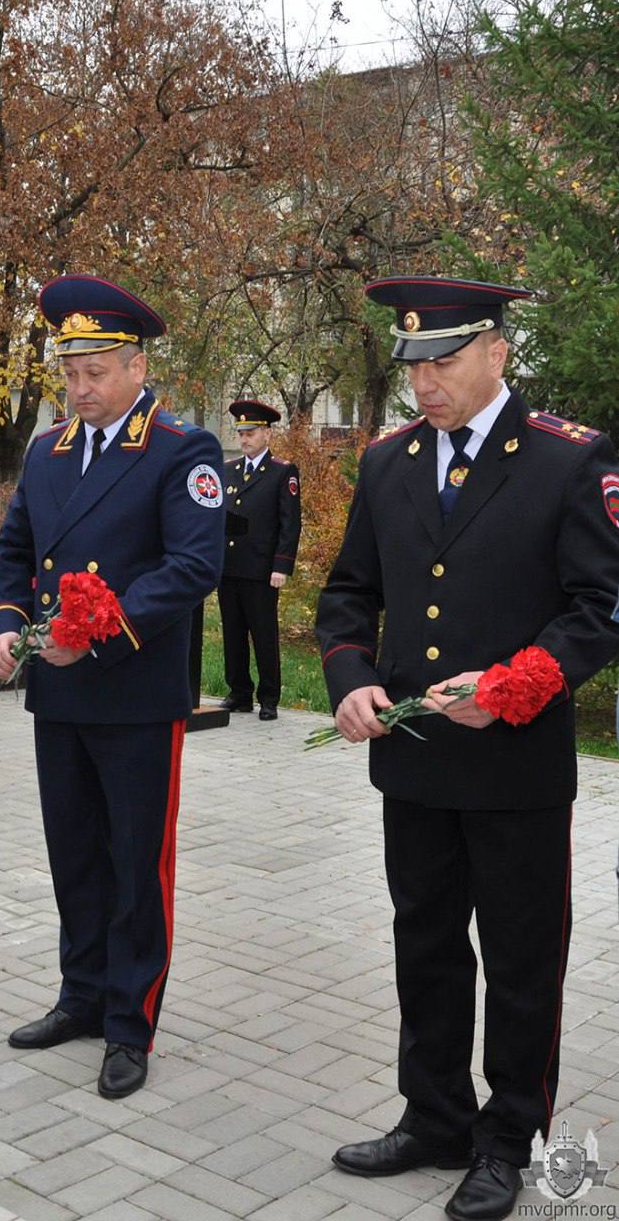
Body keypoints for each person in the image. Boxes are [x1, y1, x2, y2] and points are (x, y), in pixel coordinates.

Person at [316, 276, 619, 1221]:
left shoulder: (568, 461)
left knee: (523, 961)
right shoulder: (387, 461)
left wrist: (514, 686)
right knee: (425, 945)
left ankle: (509, 1137)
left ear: (497, 351)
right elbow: (346, 594)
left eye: (444, 361)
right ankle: (434, 1117)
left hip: (514, 764)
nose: (425, 384)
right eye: (413, 365)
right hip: (414, 760)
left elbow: (599, 606)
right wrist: (351, 678)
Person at [0, 274, 225, 1099]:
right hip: (57, 696)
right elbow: (12, 552)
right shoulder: (47, 451)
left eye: (95, 371)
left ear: (135, 365)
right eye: (70, 372)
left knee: (133, 864)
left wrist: (93, 633)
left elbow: (193, 566)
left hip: (131, 692)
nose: (79, 389)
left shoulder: (179, 449)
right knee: (74, 857)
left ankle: (131, 1021)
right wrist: (5, 625)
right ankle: (80, 996)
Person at [217, 398, 301, 721]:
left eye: (251, 433)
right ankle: (239, 692)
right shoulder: (229, 470)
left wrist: (282, 564)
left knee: (263, 634)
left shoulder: (282, 472)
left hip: (262, 569)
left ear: (266, 434)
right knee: (232, 632)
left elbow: (290, 522)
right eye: (241, 433)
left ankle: (269, 697)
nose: (244, 439)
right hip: (230, 567)